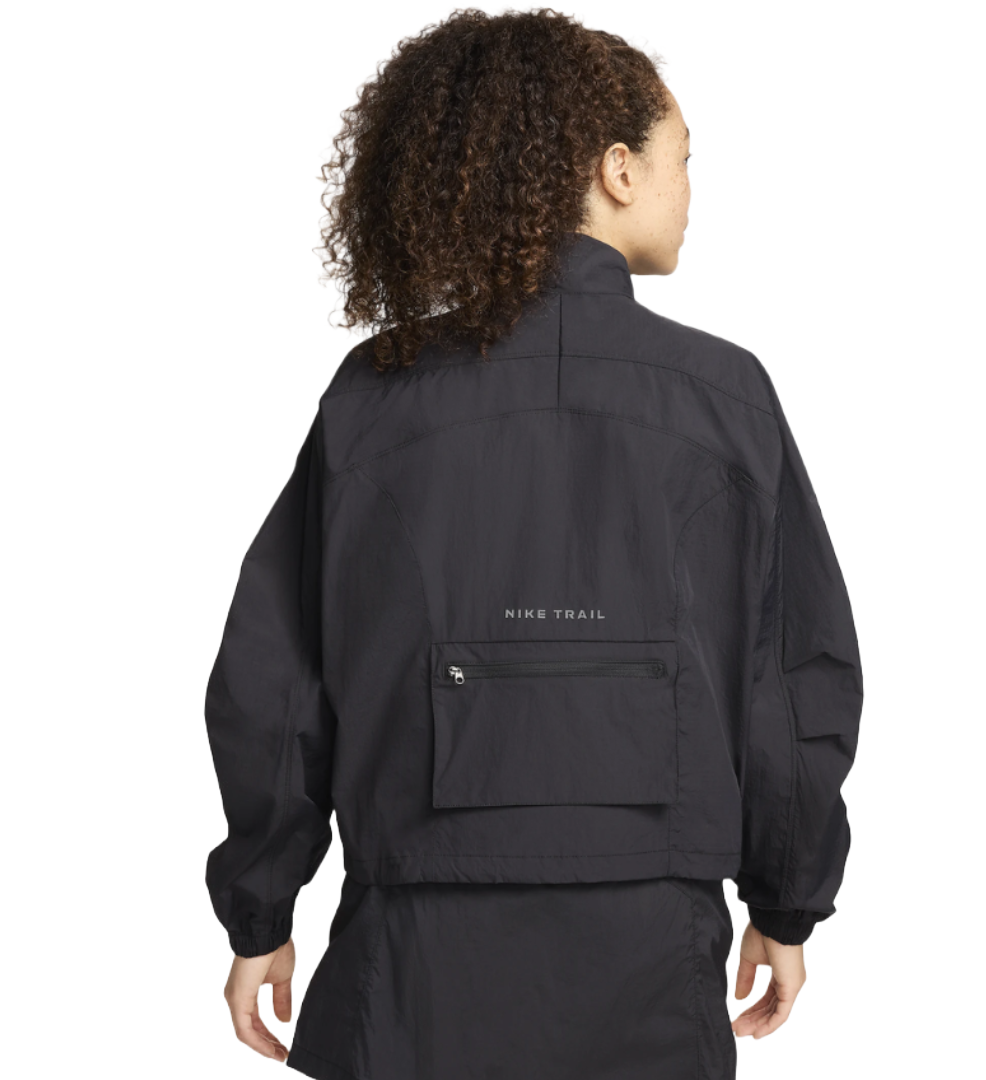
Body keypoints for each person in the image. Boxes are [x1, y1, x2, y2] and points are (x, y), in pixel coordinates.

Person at [203, 9, 863, 1080]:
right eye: (682, 160)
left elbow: (276, 689)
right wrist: (788, 903)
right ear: (616, 171)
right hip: (650, 956)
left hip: (411, 961)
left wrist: (260, 909)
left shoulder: (374, 398)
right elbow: (791, 686)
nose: (690, 189)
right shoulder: (725, 399)